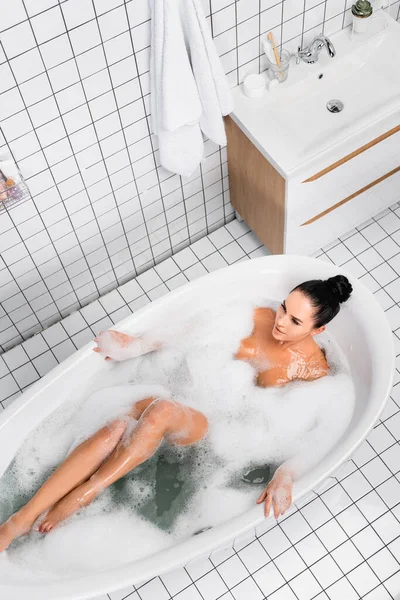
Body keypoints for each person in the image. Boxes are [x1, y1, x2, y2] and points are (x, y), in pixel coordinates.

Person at [0, 274, 352, 551]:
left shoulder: (312, 371)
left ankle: (84, 493)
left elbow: (308, 431)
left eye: (294, 321)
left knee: (161, 411)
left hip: (221, 429)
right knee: (112, 429)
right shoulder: (257, 315)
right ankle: (20, 520)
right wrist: (137, 347)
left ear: (318, 330)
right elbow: (192, 331)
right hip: (191, 390)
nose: (280, 322)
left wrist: (287, 473)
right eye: (282, 308)